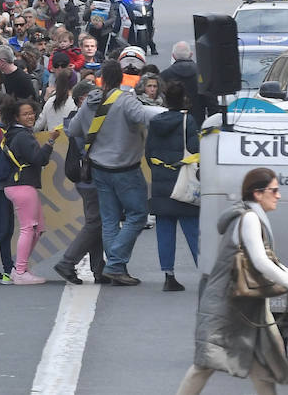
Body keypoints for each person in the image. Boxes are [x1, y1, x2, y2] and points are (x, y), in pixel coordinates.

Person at [177, 168, 288, 395]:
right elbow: (261, 261)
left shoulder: (253, 216)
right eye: (274, 190)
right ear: (258, 193)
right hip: (226, 303)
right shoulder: (250, 218)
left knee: (261, 364)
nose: (279, 195)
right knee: (205, 364)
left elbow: (269, 259)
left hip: (243, 303)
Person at [66, 62, 162, 286]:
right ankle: (115, 264)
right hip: (125, 168)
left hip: (99, 168)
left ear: (100, 79)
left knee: (109, 220)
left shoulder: (90, 102)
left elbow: (73, 130)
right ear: (122, 78)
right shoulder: (125, 100)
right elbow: (144, 117)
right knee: (137, 215)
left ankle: (115, 268)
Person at [145, 81, 200, 292]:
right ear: (184, 99)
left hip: (161, 183)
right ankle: (204, 274)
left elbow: (149, 154)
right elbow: (194, 150)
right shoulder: (189, 121)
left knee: (165, 230)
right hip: (183, 183)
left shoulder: (155, 122)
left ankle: (169, 276)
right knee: (193, 231)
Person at [0, 98, 59, 284]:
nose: (30, 116)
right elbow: (39, 159)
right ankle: (21, 271)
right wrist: (50, 142)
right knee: (29, 228)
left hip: (19, 184)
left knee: (37, 228)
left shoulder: (15, 134)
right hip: (22, 184)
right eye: (25, 114)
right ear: (16, 116)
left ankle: (20, 268)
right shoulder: (23, 136)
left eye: (31, 113)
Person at [52, 80, 107, 285]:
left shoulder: (75, 119)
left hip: (86, 175)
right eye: (91, 96)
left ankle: (98, 269)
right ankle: (68, 262)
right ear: (81, 99)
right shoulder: (80, 119)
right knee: (96, 222)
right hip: (91, 175)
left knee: (97, 222)